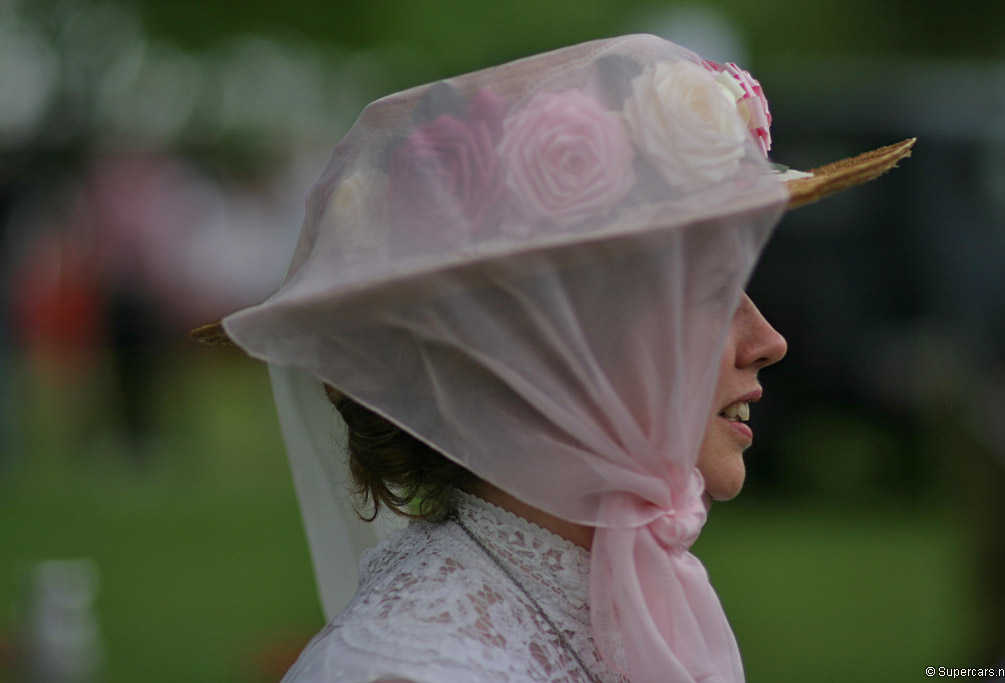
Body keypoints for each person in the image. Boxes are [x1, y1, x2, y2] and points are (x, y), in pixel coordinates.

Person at [193, 34, 914, 682]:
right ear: (563, 345)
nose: (769, 341)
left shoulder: (623, 602)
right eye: (711, 295)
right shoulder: (414, 666)